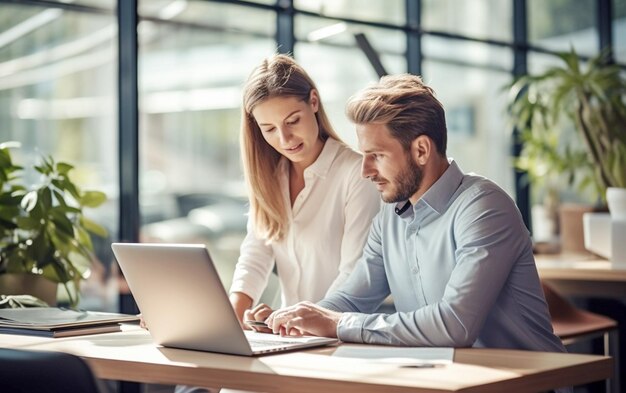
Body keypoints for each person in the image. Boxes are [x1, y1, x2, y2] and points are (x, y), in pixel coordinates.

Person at [266, 74, 568, 357]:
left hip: (526, 382)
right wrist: (295, 319)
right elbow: (348, 300)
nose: (365, 171)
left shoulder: (484, 208)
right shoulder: (389, 218)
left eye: (377, 156)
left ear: (421, 150)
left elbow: (455, 325)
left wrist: (337, 323)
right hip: (448, 379)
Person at [228, 54, 381, 327]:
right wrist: (230, 314)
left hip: (340, 331)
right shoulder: (270, 178)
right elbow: (255, 257)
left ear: (313, 101)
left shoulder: (356, 174)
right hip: (290, 333)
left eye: (292, 121)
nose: (284, 139)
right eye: (269, 129)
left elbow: (354, 274)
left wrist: (299, 319)